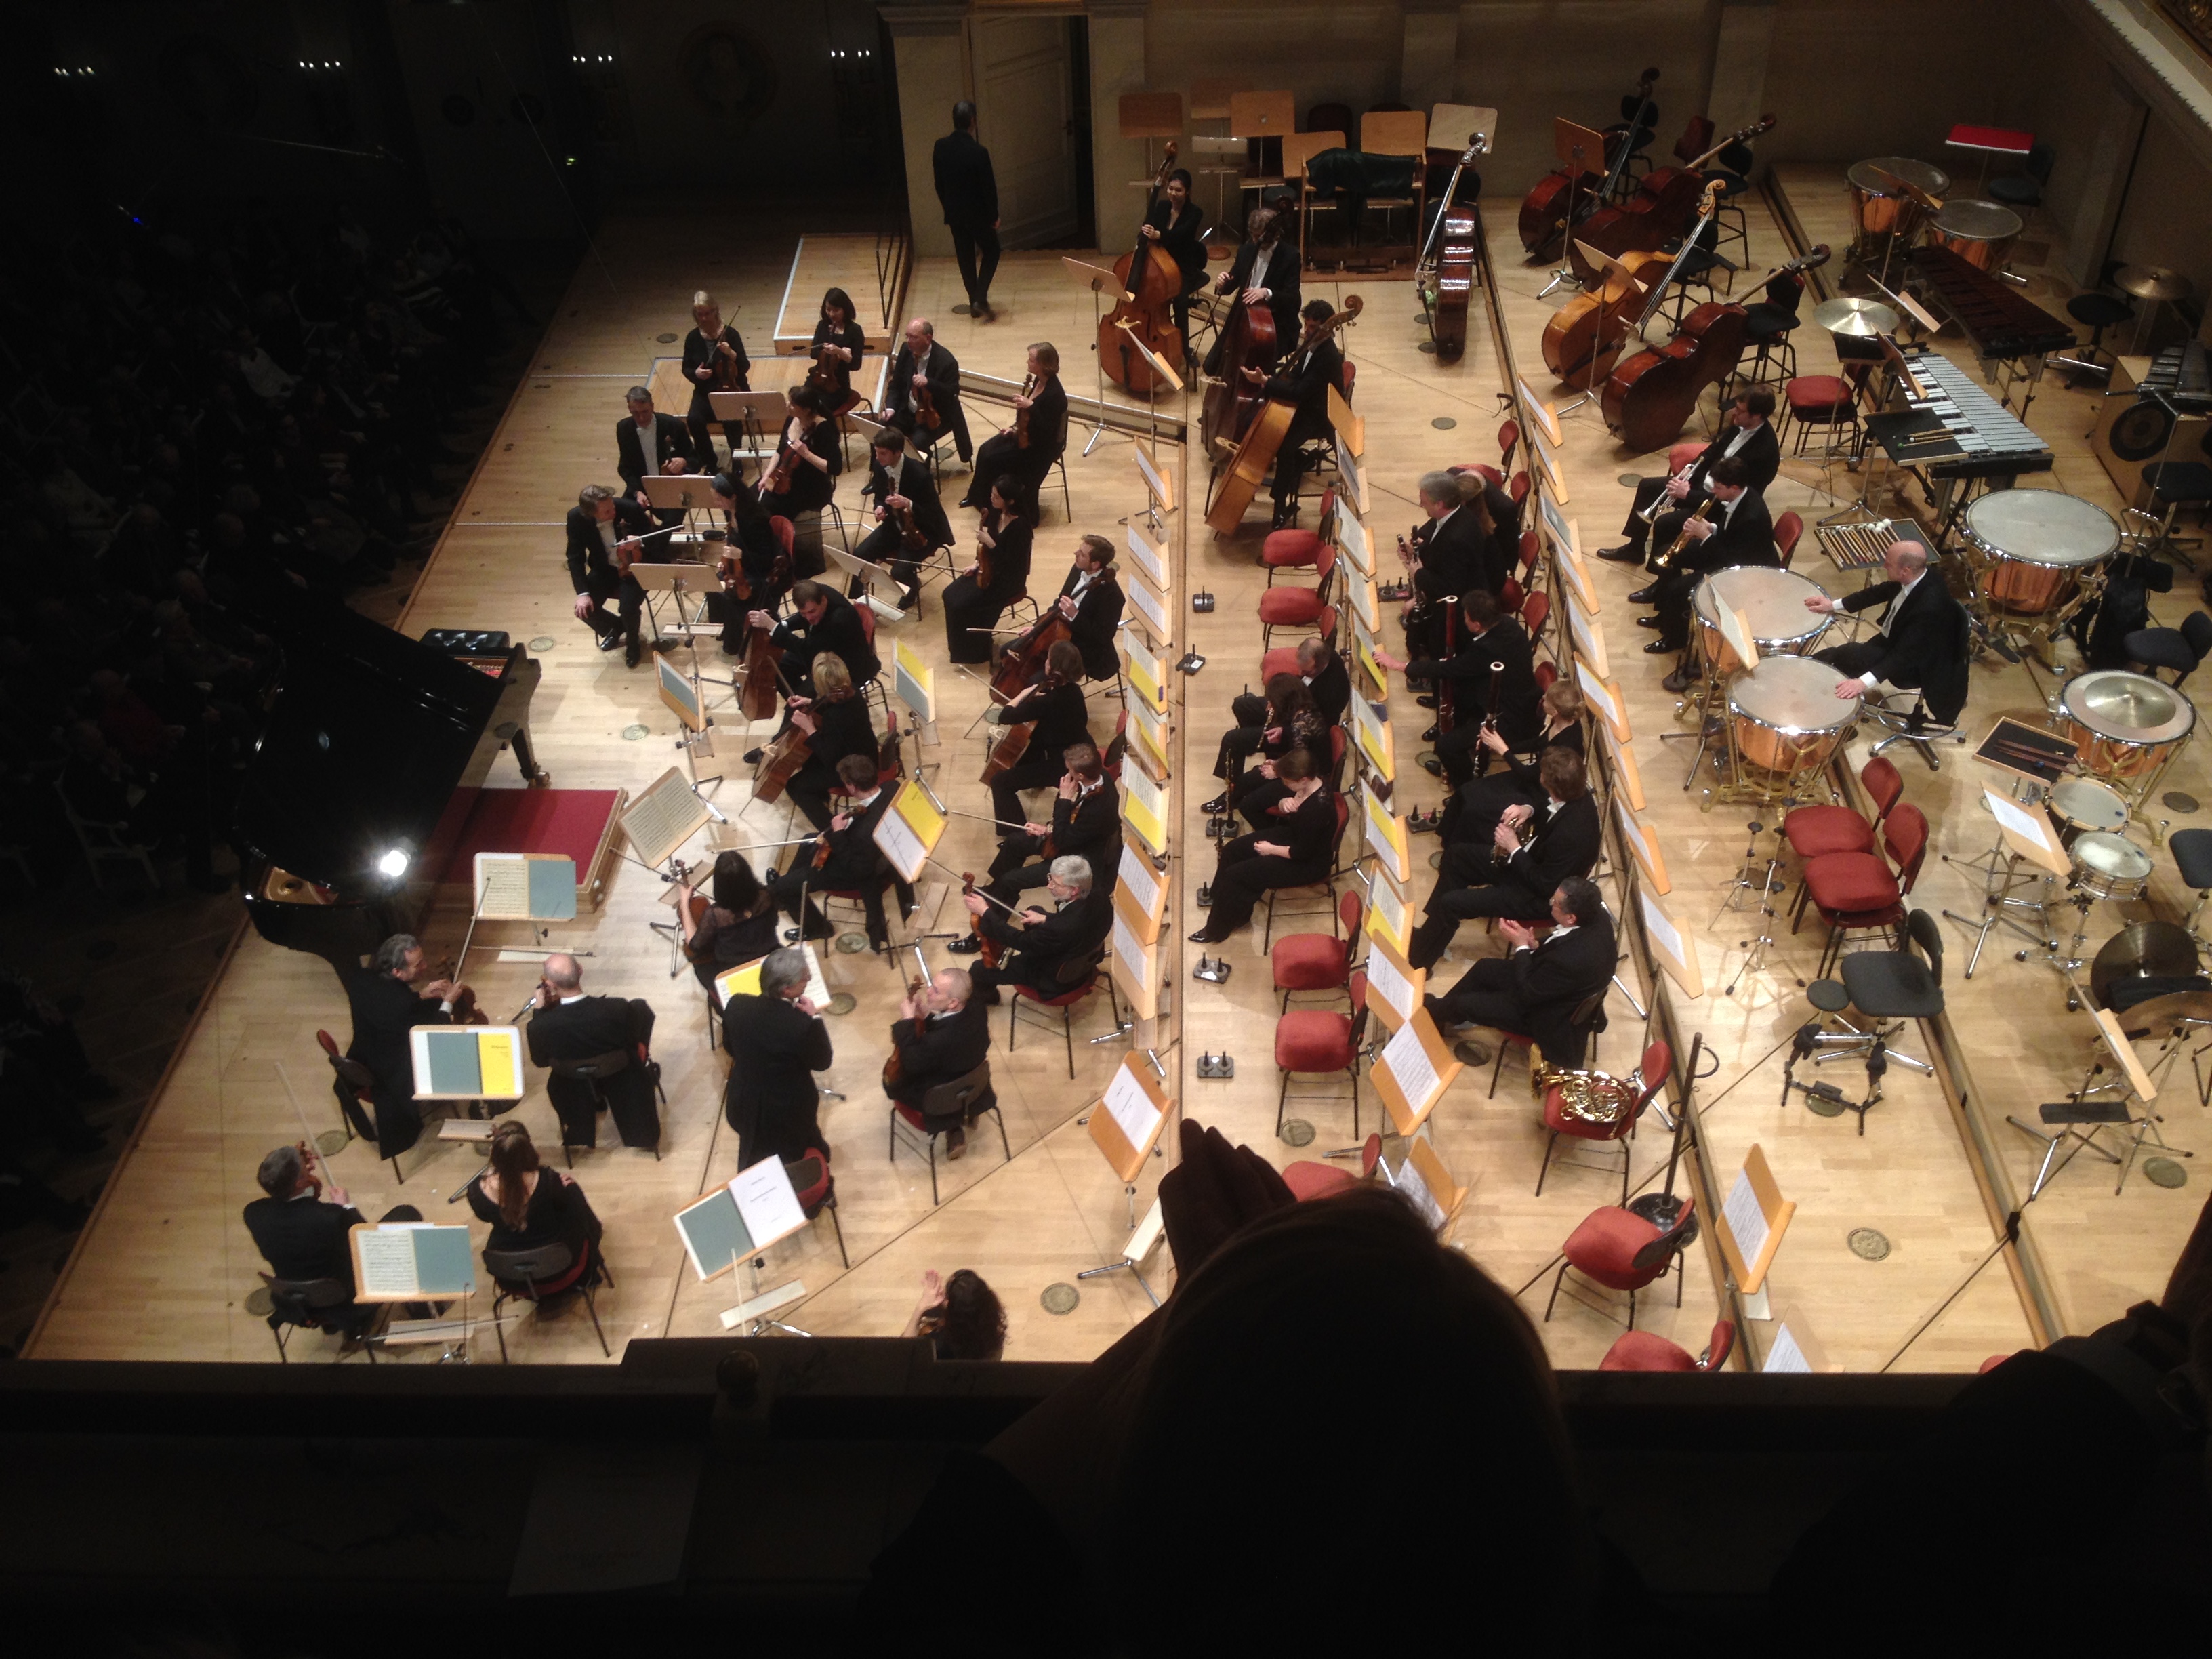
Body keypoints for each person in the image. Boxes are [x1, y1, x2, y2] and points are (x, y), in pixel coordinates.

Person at [855, 1137, 1589, 1650]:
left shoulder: (1127, 1597)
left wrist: (1228, 1293)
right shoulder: (1542, 1579)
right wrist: (1252, 1288)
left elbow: (944, 1570)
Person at [1405, 749, 1601, 971]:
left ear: (1547, 782)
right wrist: (1527, 809)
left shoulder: (1571, 834)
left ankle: (1418, 964)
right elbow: (1548, 806)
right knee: (1456, 856)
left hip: (1534, 895)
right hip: (1526, 866)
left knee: (1451, 904)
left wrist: (1513, 847)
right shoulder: (1577, 792)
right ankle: (1430, 933)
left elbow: (1544, 885)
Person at [1425, 878, 1617, 1069]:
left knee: (1465, 1004)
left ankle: (1428, 1014)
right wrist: (1535, 945)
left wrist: (1521, 946)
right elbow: (1561, 942)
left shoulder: (1570, 960)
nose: (1550, 903)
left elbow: (1527, 994)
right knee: (1485, 968)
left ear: (1571, 918)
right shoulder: (1596, 916)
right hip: (1551, 986)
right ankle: (1438, 1016)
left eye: (1555, 902)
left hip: (1543, 1014)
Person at [242, 1143, 424, 1338]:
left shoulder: (253, 1213)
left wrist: (294, 1163)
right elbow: (368, 1241)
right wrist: (347, 1206)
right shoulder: (330, 1217)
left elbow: (297, 1218)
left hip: (297, 1298)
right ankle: (424, 1311)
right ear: (300, 1184)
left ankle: (336, 1325)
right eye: (304, 1170)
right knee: (406, 1214)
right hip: (346, 1298)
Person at [1375, 588, 1541, 789]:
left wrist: (1399, 665)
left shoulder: (1487, 649)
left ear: (1477, 625)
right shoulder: (1508, 624)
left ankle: (1466, 787)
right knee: (1456, 692)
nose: (1464, 619)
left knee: (1446, 746)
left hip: (1511, 717)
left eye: (1466, 617)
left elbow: (1451, 668)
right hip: (1512, 696)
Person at [1597, 388, 1780, 565]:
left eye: (1740, 410)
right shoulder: (1741, 424)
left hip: (1716, 506)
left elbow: (1734, 499)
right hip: (1703, 485)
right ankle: (1635, 549)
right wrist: (1691, 468)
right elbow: (1714, 450)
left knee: (1664, 523)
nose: (1734, 412)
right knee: (1648, 486)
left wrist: (1688, 495)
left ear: (1757, 416)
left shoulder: (1763, 453)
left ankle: (1663, 571)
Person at [1635, 456, 1776, 677]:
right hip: (1726, 549)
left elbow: (1732, 561)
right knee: (1667, 554)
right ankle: (1664, 615)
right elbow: (1729, 534)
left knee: (1680, 589)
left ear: (1733, 488)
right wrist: (1711, 528)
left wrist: (1705, 536)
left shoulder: (1752, 516)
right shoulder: (1738, 497)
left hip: (1742, 572)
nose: (1714, 492)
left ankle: (1674, 638)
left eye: (1718, 488)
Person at [1806, 539, 1971, 724]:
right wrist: (1833, 605)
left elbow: (1905, 655)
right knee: (1843, 657)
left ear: (1905, 570)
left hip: (1917, 663)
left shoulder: (1930, 608)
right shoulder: (1918, 575)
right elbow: (1878, 592)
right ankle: (1810, 679)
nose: (1884, 565)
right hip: (1897, 640)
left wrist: (1862, 683)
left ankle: (1833, 716)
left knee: (1846, 657)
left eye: (1889, 563)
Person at [764, 754, 916, 949]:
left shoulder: (864, 834)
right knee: (808, 840)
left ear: (852, 787)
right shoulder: (891, 787)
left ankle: (817, 927)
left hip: (848, 872)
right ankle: (787, 892)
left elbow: (856, 868)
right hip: (871, 852)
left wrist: (837, 834)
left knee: (784, 886)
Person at [1188, 747, 1337, 943]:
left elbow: (1300, 853)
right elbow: (1293, 815)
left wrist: (1270, 850)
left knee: (1236, 876)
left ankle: (1216, 930)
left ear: (1303, 780)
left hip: (1306, 863)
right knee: (1233, 851)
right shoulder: (1311, 784)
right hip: (1294, 838)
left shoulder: (1317, 810)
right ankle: (1222, 900)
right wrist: (1284, 802)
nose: (1284, 784)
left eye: (1287, 782)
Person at [524, 954, 659, 1152]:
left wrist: (539, 1012)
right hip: (621, 1073)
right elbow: (631, 1040)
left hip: (571, 1080)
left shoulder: (539, 1026)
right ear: (580, 970)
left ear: (550, 985)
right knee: (639, 1007)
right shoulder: (617, 1008)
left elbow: (541, 1061)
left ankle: (590, 1111)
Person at [344, 933, 459, 1158]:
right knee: (444, 1035)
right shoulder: (399, 1007)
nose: (425, 967)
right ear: (397, 972)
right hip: (391, 1070)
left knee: (431, 1005)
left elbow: (392, 1000)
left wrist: (420, 995)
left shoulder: (362, 977)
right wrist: (448, 1003)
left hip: (365, 1049)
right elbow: (430, 1035)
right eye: (419, 964)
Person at [1431, 678, 1586, 844]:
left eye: (1546, 699)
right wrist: (1502, 747)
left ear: (1555, 711)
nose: (1543, 698)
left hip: (1540, 792)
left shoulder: (1567, 743)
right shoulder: (1559, 721)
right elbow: (1537, 743)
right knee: (1466, 790)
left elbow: (1530, 775)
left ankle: (1459, 846)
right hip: (1532, 777)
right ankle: (1448, 838)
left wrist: (1503, 749)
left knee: (1475, 806)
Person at [719, 945, 832, 1169]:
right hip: (786, 1114)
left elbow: (731, 1048)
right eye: (805, 979)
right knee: (790, 1156)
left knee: (757, 1149)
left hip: (743, 1103)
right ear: (787, 990)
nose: (809, 980)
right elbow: (822, 1062)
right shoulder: (800, 1026)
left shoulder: (737, 1005)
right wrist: (815, 1017)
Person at [983, 739, 1120, 909]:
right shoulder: (1099, 776)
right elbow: (1070, 826)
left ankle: (995, 913)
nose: (1067, 773)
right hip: (1071, 837)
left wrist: (1064, 799)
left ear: (1080, 775)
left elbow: (1062, 841)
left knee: (1010, 880)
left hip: (1078, 858)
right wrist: (1047, 829)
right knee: (1014, 841)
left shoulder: (1098, 809)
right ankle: (993, 890)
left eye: (1069, 770)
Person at [963, 855, 1113, 1005]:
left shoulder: (1058, 929)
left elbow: (1019, 941)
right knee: (1034, 911)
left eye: (1055, 884)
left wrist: (985, 912)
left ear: (1074, 890)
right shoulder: (1101, 896)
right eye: (1050, 878)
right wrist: (1046, 918)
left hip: (1054, 976)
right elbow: (1072, 922)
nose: (1049, 886)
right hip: (1081, 954)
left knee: (978, 970)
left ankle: (989, 998)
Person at [1247, 298, 1345, 529]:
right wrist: (1270, 379)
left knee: (1285, 446)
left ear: (1327, 328)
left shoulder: (1328, 355)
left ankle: (1280, 507)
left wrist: (1266, 382)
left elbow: (1300, 392)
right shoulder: (1312, 345)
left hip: (1320, 415)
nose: (1307, 331)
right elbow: (1296, 376)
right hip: (1307, 404)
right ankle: (1296, 464)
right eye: (1306, 325)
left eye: (1313, 327)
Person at [981, 640, 1092, 834]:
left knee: (1000, 781)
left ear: (1053, 667)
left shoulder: (1047, 701)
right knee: (1030, 749)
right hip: (1081, 749)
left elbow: (1005, 716)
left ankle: (1017, 833)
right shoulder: (1074, 691)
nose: (1045, 662)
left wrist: (1024, 694)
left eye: (1048, 659)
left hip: (1064, 765)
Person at [885, 968, 994, 1156]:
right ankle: (962, 1117)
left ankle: (951, 1123)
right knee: (949, 1069)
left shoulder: (938, 1041)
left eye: (935, 991)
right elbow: (950, 1028)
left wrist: (908, 1021)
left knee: (892, 1084)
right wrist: (928, 1016)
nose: (928, 991)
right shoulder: (976, 1006)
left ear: (953, 1002)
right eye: (931, 985)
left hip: (941, 1098)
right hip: (976, 1084)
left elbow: (911, 1062)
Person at [468, 1120, 603, 1258]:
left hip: (508, 1265)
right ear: (529, 1150)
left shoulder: (476, 1191)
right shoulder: (549, 1180)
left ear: (494, 1154)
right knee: (573, 1192)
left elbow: (484, 1216)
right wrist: (565, 1188)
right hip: (556, 1261)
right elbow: (568, 1211)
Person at [777, 653, 881, 831]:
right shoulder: (852, 691)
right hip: (865, 753)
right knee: (808, 761)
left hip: (855, 769)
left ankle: (833, 831)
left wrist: (809, 728)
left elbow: (830, 759)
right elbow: (835, 704)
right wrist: (811, 701)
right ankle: (822, 798)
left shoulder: (834, 718)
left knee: (795, 786)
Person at [960, 342, 1067, 512]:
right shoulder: (1039, 380)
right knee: (985, 450)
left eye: (1031, 360)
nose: (1027, 362)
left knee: (991, 458)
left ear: (1043, 364)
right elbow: (1028, 418)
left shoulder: (1055, 395)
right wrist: (1014, 428)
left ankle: (990, 503)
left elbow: (1047, 431)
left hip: (1038, 448)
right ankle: (976, 496)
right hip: (1025, 434)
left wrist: (1031, 406)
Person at [853, 428, 952, 611]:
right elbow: (879, 496)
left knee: (899, 572)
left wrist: (908, 503)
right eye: (876, 452)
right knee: (859, 555)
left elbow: (932, 513)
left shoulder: (920, 474)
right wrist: (879, 507)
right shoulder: (879, 466)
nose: (877, 457)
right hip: (894, 524)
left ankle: (912, 588)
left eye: (882, 453)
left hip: (922, 529)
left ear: (898, 453)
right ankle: (857, 603)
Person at [1206, 675, 1330, 814]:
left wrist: (1277, 770)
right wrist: (1284, 732)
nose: (1268, 707)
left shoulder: (1302, 728)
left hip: (1305, 777)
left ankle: (1234, 798)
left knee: (1250, 786)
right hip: (1299, 759)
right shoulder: (1305, 710)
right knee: (1239, 751)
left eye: (1272, 703)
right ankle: (1233, 791)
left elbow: (1299, 764)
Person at [943, 474, 1035, 663]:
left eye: (996, 496)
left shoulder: (1021, 528)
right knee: (950, 595)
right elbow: (985, 548)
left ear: (1010, 501)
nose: (991, 498)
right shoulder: (995, 512)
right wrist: (976, 563)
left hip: (1008, 580)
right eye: (992, 494)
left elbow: (1011, 562)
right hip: (988, 569)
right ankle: (960, 649)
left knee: (963, 605)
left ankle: (977, 651)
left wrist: (991, 543)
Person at [562, 483, 655, 666]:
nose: (613, 512)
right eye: (606, 511)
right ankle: (618, 626)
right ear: (591, 513)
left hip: (635, 568)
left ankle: (633, 643)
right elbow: (575, 557)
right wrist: (583, 593)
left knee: (628, 608)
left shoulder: (629, 509)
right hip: (604, 569)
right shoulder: (576, 518)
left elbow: (657, 540)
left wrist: (639, 542)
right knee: (585, 610)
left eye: (612, 506)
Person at [755, 383, 843, 576]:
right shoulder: (791, 419)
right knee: (751, 496)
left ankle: (779, 558)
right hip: (783, 477)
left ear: (807, 409)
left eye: (793, 405)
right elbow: (780, 452)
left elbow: (835, 468)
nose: (788, 406)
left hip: (810, 487)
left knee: (767, 509)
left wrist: (806, 454)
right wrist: (766, 475)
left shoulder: (823, 428)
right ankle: (764, 553)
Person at [1204, 207, 1302, 373]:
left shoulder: (1290, 256)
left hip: (1275, 321)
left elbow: (1292, 298)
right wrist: (1222, 284)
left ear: (1276, 234)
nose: (1256, 241)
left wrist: (1266, 293)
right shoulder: (1245, 250)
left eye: (1260, 237)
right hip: (1244, 316)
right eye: (1253, 235)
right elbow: (1232, 283)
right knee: (1215, 362)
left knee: (1258, 356)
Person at [750, 578, 879, 697]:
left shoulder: (839, 619)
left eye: (812, 612)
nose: (809, 618)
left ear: (824, 601)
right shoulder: (817, 593)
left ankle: (807, 707)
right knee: (779, 669)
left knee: (809, 693)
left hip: (845, 667)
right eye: (804, 613)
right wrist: (784, 625)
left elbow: (807, 650)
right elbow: (804, 620)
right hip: (823, 652)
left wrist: (774, 627)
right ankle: (801, 704)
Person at [703, 472, 787, 653]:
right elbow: (733, 541)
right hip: (741, 568)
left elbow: (765, 559)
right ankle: (724, 631)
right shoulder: (732, 513)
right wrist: (726, 561)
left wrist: (739, 555)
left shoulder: (754, 520)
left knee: (730, 595)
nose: (716, 503)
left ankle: (735, 645)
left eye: (719, 499)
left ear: (733, 497)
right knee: (712, 586)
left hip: (760, 572)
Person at [677, 851, 782, 994]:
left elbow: (695, 945)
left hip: (736, 970)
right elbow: (774, 922)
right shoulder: (767, 895)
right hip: (769, 958)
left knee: (698, 961)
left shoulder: (715, 915)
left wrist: (684, 903)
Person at [933, 102, 1001, 321]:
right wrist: (994, 216)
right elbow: (988, 188)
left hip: (954, 214)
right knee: (992, 250)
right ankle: (980, 298)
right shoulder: (979, 152)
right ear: (973, 121)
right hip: (978, 214)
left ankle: (974, 304)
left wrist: (948, 206)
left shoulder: (940, 147)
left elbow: (939, 184)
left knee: (965, 257)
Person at [1029, 533, 1125, 681]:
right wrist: (1037, 628)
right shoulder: (1078, 569)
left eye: (1082, 554)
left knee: (1036, 679)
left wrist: (1075, 615)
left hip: (1084, 648)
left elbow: (1102, 637)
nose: (1076, 554)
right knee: (1008, 650)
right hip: (1061, 632)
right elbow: (1059, 602)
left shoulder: (1113, 596)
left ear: (1095, 564)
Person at [882, 316, 970, 463]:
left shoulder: (947, 361)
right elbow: (896, 384)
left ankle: (920, 475)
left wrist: (929, 383)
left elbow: (952, 392)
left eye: (914, 337)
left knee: (918, 445)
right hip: (906, 411)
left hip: (932, 418)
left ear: (928, 338)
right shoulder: (906, 350)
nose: (909, 341)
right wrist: (891, 408)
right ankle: (881, 473)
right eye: (907, 336)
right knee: (881, 434)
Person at [1141, 168, 1210, 349]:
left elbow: (1182, 235)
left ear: (1188, 192)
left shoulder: (1195, 212)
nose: (1173, 193)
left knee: (1180, 302)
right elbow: (1149, 228)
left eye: (1178, 190)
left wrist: (1159, 234)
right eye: (1170, 189)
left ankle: (1184, 348)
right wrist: (1146, 232)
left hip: (1183, 266)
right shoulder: (1162, 206)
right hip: (1160, 263)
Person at [681, 289, 751, 464]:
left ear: (715, 311)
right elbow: (686, 368)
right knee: (694, 420)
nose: (704, 318)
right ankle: (709, 460)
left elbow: (744, 366)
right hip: (705, 392)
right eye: (700, 315)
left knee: (731, 419)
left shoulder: (731, 334)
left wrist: (731, 353)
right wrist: (696, 374)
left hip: (731, 389)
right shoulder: (692, 338)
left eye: (707, 313)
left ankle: (736, 459)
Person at [613, 385, 698, 528]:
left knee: (671, 524)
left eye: (645, 412)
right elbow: (625, 468)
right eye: (635, 413)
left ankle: (655, 538)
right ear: (629, 409)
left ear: (652, 406)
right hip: (640, 486)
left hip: (671, 487)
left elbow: (696, 461)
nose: (641, 418)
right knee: (621, 519)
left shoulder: (673, 425)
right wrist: (638, 492)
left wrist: (683, 462)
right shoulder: (624, 428)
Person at [904, 1267, 1008, 1357]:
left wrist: (920, 1309)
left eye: (947, 1297)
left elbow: (903, 1355)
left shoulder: (937, 1345)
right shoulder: (993, 1335)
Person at [808, 287, 866, 416]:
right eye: (828, 309)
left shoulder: (855, 330)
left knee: (817, 412)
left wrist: (840, 352)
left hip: (838, 386)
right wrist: (825, 351)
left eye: (836, 310)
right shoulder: (823, 325)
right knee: (799, 404)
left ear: (845, 309)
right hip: (817, 378)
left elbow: (856, 365)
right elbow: (813, 353)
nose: (832, 314)